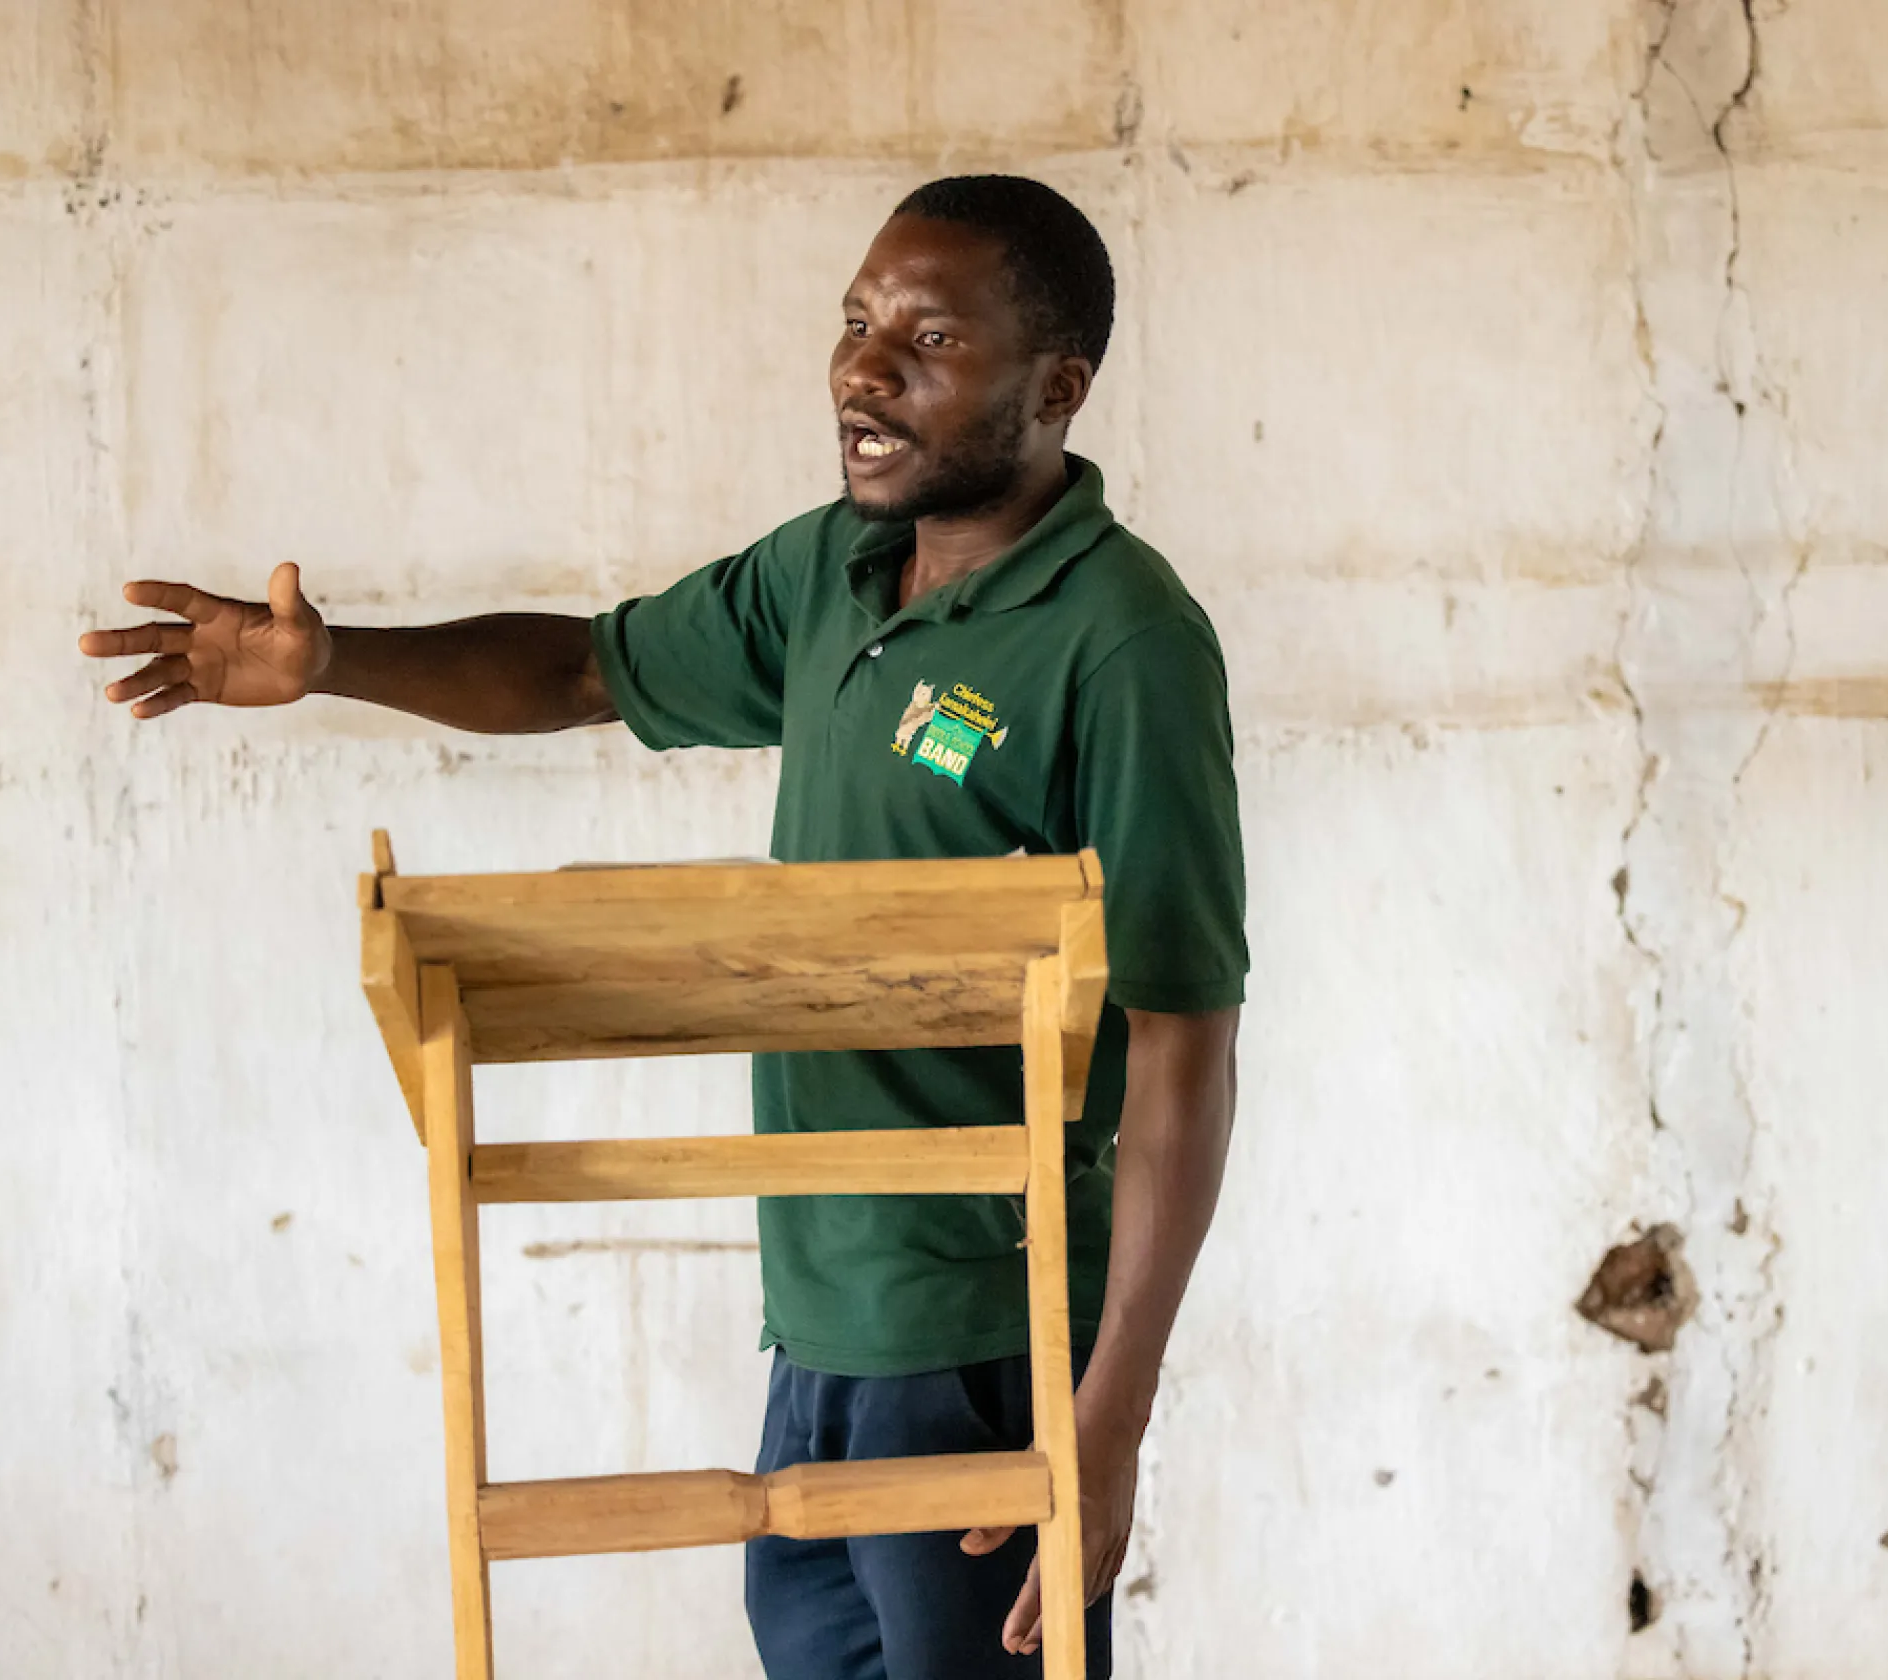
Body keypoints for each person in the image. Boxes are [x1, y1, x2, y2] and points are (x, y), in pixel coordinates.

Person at [79, 174, 1247, 1680]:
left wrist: (1108, 1418)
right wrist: (334, 665)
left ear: (1057, 385)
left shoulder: (1121, 637)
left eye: (929, 336)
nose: (863, 367)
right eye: (855, 322)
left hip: (984, 1338)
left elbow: (1183, 1041)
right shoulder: (829, 574)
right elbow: (583, 673)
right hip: (814, 1328)